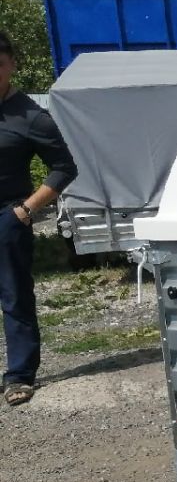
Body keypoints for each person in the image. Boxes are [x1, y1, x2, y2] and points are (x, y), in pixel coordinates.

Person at [0, 32, 76, 405]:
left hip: (7, 217)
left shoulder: (31, 117)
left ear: (11, 64)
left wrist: (27, 210)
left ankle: (19, 375)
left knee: (14, 296)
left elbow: (64, 167)